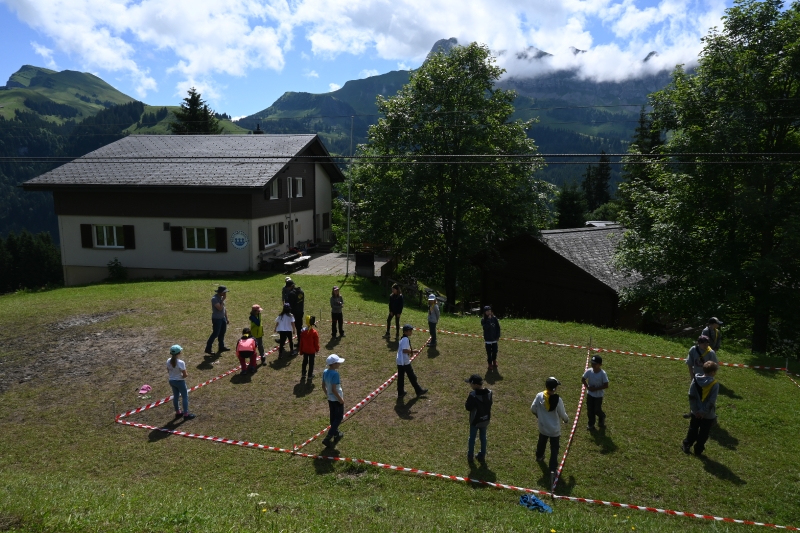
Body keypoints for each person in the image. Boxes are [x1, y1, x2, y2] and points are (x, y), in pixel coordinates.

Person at [530, 377, 569, 483]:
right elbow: (562, 414)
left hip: (543, 427)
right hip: (554, 430)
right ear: (555, 388)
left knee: (542, 442)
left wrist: (539, 416)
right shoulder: (558, 400)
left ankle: (539, 456)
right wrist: (566, 420)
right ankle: (552, 468)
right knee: (554, 448)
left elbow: (533, 408)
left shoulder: (539, 396)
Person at [682, 361, 719, 456]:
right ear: (713, 372)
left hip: (695, 412)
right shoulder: (714, 384)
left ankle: (687, 444)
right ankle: (698, 450)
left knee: (693, 429)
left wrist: (695, 410)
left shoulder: (695, 380)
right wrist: (703, 412)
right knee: (704, 433)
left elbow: (691, 396)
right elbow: (711, 401)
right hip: (708, 414)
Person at [465, 374, 493, 462]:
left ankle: (470, 455)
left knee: (472, 437)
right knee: (483, 437)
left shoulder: (473, 395)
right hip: (485, 419)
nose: (470, 385)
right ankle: (482, 454)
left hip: (475, 421)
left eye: (471, 383)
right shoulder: (489, 393)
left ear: (475, 384)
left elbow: (468, 407)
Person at [396, 324, 428, 398]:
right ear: (405, 332)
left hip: (400, 361)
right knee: (412, 376)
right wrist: (413, 351)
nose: (411, 332)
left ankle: (400, 392)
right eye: (409, 331)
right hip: (404, 362)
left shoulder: (403, 339)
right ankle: (418, 390)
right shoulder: (405, 339)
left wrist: (410, 352)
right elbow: (404, 350)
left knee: (401, 377)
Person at [322, 354, 346, 447]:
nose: (339, 364)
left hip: (330, 399)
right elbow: (334, 389)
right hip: (337, 399)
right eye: (338, 363)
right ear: (334, 364)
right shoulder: (335, 374)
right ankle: (328, 437)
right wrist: (341, 399)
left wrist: (328, 395)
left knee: (333, 417)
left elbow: (323, 386)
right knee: (339, 417)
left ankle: (336, 434)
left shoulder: (325, 372)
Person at [166, 345, 196, 420]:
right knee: (185, 397)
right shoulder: (181, 362)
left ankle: (178, 412)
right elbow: (185, 375)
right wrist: (183, 376)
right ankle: (186, 414)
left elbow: (168, 370)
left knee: (175, 396)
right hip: (180, 382)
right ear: (179, 353)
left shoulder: (168, 360)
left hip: (171, 381)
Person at [582, 355, 609, 430]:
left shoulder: (602, 374)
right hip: (590, 394)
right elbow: (583, 379)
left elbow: (606, 385)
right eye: (592, 363)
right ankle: (591, 424)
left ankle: (602, 416)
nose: (593, 365)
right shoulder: (589, 371)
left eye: (595, 364)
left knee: (597, 410)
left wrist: (596, 389)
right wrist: (588, 387)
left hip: (598, 396)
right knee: (590, 409)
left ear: (600, 364)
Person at [204, 286, 229, 354]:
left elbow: (224, 308)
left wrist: (226, 318)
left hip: (223, 318)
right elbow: (220, 308)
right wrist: (223, 300)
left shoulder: (221, 297)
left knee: (222, 333)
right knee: (215, 334)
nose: (225, 294)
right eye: (224, 292)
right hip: (217, 319)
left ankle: (221, 346)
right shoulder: (214, 299)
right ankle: (208, 348)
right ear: (220, 292)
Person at [481, 305, 501, 371]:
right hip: (488, 340)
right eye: (487, 311)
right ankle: (490, 364)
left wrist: (498, 336)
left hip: (494, 339)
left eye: (490, 311)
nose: (489, 312)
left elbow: (498, 327)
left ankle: (494, 361)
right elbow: (485, 327)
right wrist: (489, 320)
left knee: (495, 351)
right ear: (485, 312)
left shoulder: (494, 318)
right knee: (489, 353)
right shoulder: (483, 320)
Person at [287, 282, 305, 354]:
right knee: (299, 328)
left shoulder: (291, 294)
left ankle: (283, 340)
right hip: (300, 312)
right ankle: (300, 342)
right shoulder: (301, 291)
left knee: (287, 327)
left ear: (290, 287)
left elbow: (290, 305)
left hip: (294, 314)